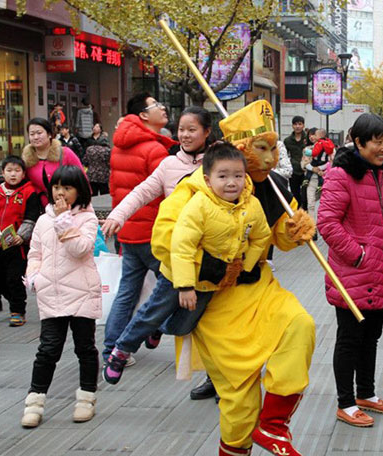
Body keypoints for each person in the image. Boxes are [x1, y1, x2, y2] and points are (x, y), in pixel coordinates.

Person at [151, 100, 317, 456]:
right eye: (262, 148)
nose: (272, 157)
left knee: (300, 325)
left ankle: (274, 424)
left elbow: (279, 236)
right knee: (239, 396)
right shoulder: (196, 188)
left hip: (260, 288)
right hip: (216, 302)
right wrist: (213, 267)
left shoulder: (274, 185)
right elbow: (166, 239)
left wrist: (297, 229)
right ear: (240, 150)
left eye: (274, 147)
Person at [103, 141, 272, 386]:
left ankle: (158, 327)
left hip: (209, 280)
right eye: (223, 176)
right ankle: (121, 350)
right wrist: (184, 286)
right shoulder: (199, 204)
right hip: (177, 276)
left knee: (182, 326)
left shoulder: (251, 205)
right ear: (208, 179)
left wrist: (244, 268)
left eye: (238, 175)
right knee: (152, 313)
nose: (231, 182)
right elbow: (181, 246)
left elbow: (262, 236)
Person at [100, 107, 214, 390]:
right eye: (182, 130)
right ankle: (120, 350)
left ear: (207, 132)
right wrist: (118, 215)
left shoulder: (217, 161)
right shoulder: (168, 164)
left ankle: (215, 377)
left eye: (192, 130)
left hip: (211, 256)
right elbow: (141, 192)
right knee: (158, 303)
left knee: (191, 320)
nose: (185, 135)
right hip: (178, 253)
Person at [318, 113, 383, 428]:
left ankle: (366, 393)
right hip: (352, 274)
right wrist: (358, 256)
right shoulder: (341, 175)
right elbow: (327, 223)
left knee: (372, 336)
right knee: (349, 339)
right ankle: (346, 402)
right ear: (358, 142)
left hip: (380, 271)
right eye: (377, 142)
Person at [21, 166, 101, 428]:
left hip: (81, 292)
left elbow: (80, 249)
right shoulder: (43, 220)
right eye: (56, 187)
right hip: (51, 294)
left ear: (79, 191)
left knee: (84, 348)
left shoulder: (87, 218)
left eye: (67, 188)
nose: (60, 193)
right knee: (47, 350)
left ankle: (86, 399)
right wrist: (34, 277)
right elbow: (35, 254)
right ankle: (34, 403)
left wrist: (64, 219)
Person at [103, 93, 176, 367]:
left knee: (127, 292)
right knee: (173, 285)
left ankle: (110, 348)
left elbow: (114, 189)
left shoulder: (119, 146)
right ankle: (155, 327)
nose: (163, 108)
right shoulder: (153, 149)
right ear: (143, 115)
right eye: (156, 105)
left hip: (128, 232)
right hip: (153, 233)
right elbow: (170, 194)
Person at [0, 156, 39, 326]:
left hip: (17, 246)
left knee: (14, 278)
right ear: (2, 173)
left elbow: (31, 217)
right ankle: (12, 299)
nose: (13, 174)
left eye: (17, 171)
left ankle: (18, 311)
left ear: (24, 173)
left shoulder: (29, 192)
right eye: (9, 171)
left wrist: (22, 236)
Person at [22, 118, 83, 206]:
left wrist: (84, 204)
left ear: (49, 134)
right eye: (32, 134)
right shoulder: (26, 160)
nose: (35, 137)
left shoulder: (65, 153)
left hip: (69, 205)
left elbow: (82, 179)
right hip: (39, 208)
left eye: (39, 133)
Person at [306, 129, 334, 224]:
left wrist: (321, 169)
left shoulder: (329, 148)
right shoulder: (308, 149)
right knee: (310, 203)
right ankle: (312, 226)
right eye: (310, 135)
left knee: (324, 204)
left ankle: (322, 224)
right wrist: (313, 168)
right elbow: (304, 163)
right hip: (311, 179)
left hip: (324, 179)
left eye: (314, 134)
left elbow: (331, 163)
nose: (312, 137)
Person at [284, 116, 309, 205]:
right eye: (295, 124)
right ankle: (297, 211)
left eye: (300, 124)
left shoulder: (308, 139)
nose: (297, 126)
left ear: (303, 125)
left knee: (306, 194)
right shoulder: (287, 140)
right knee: (295, 194)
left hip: (307, 170)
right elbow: (284, 155)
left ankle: (305, 210)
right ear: (292, 126)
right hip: (293, 171)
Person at [84, 123, 112, 195]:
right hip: (103, 175)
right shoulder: (107, 151)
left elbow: (85, 161)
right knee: (105, 194)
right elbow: (110, 162)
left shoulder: (89, 149)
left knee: (93, 194)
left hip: (92, 175)